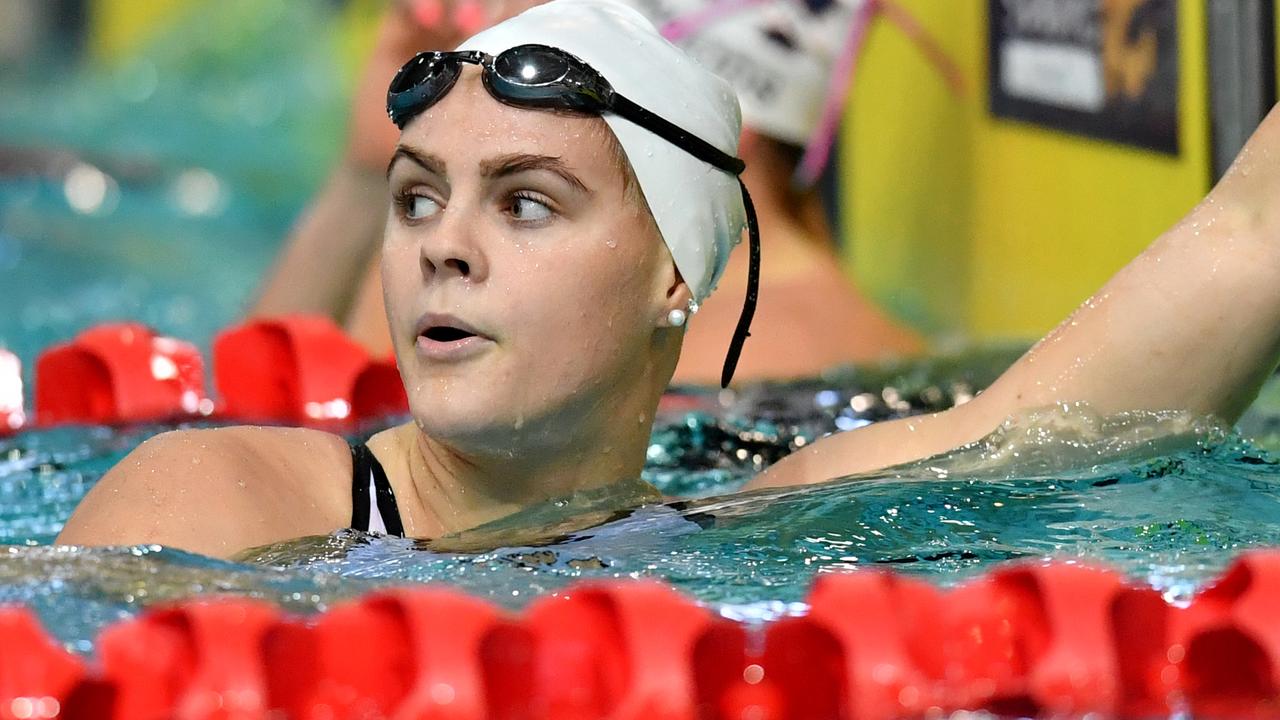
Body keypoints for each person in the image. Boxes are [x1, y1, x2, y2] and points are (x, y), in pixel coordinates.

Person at [58, 0, 1280, 560]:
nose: (442, 244)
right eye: (417, 196)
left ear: (672, 282)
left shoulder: (755, 528)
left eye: (526, 201)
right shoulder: (220, 505)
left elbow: (1239, 251)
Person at [250, 0, 926, 384]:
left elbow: (346, 430)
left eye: (546, 74)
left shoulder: (750, 355)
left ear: (717, 124)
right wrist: (368, 175)